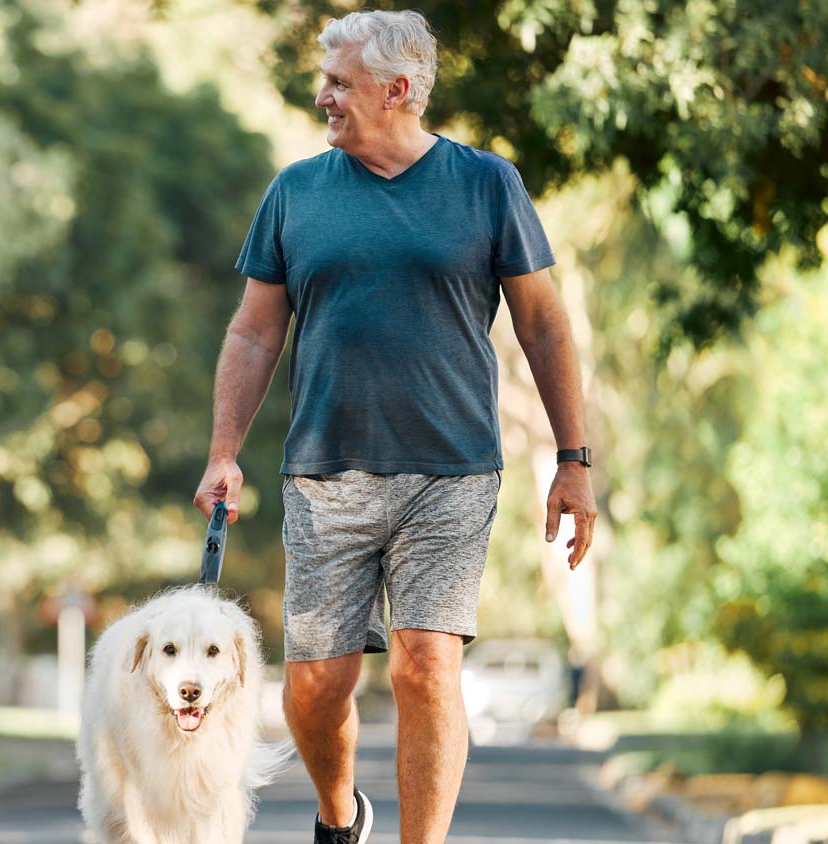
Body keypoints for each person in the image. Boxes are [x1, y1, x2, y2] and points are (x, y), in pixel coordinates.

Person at [192, 10, 596, 844]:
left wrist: (573, 459)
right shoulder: (296, 192)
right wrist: (224, 453)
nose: (322, 97)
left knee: (426, 664)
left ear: (398, 90)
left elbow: (545, 325)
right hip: (324, 468)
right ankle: (341, 815)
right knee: (315, 686)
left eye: (338, 83)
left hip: (451, 469)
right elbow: (254, 331)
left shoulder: (486, 184)